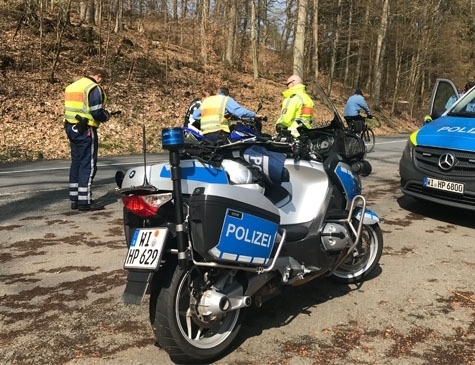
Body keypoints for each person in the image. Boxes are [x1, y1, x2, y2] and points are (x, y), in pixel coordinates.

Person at [64, 67, 111, 211]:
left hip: (71, 128)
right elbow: (96, 112)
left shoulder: (72, 87)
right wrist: (106, 116)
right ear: (98, 76)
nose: (101, 82)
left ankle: (75, 199)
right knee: (88, 165)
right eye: (102, 79)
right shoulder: (93, 88)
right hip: (86, 130)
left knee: (76, 163)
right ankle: (85, 201)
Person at [192, 86, 263, 142]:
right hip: (219, 132)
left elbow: (195, 115)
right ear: (227, 94)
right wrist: (255, 115)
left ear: (218, 93)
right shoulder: (225, 99)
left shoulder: (207, 100)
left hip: (205, 133)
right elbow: (239, 111)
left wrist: (207, 120)